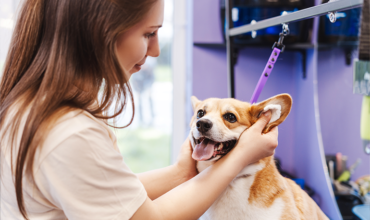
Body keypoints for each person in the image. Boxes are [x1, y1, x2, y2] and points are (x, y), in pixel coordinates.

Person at [0, 0, 279, 219]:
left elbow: (109, 195)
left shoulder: (30, 108)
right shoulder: (71, 134)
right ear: (102, 30)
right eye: (149, 34)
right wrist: (241, 155)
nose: (156, 50)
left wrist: (182, 172)